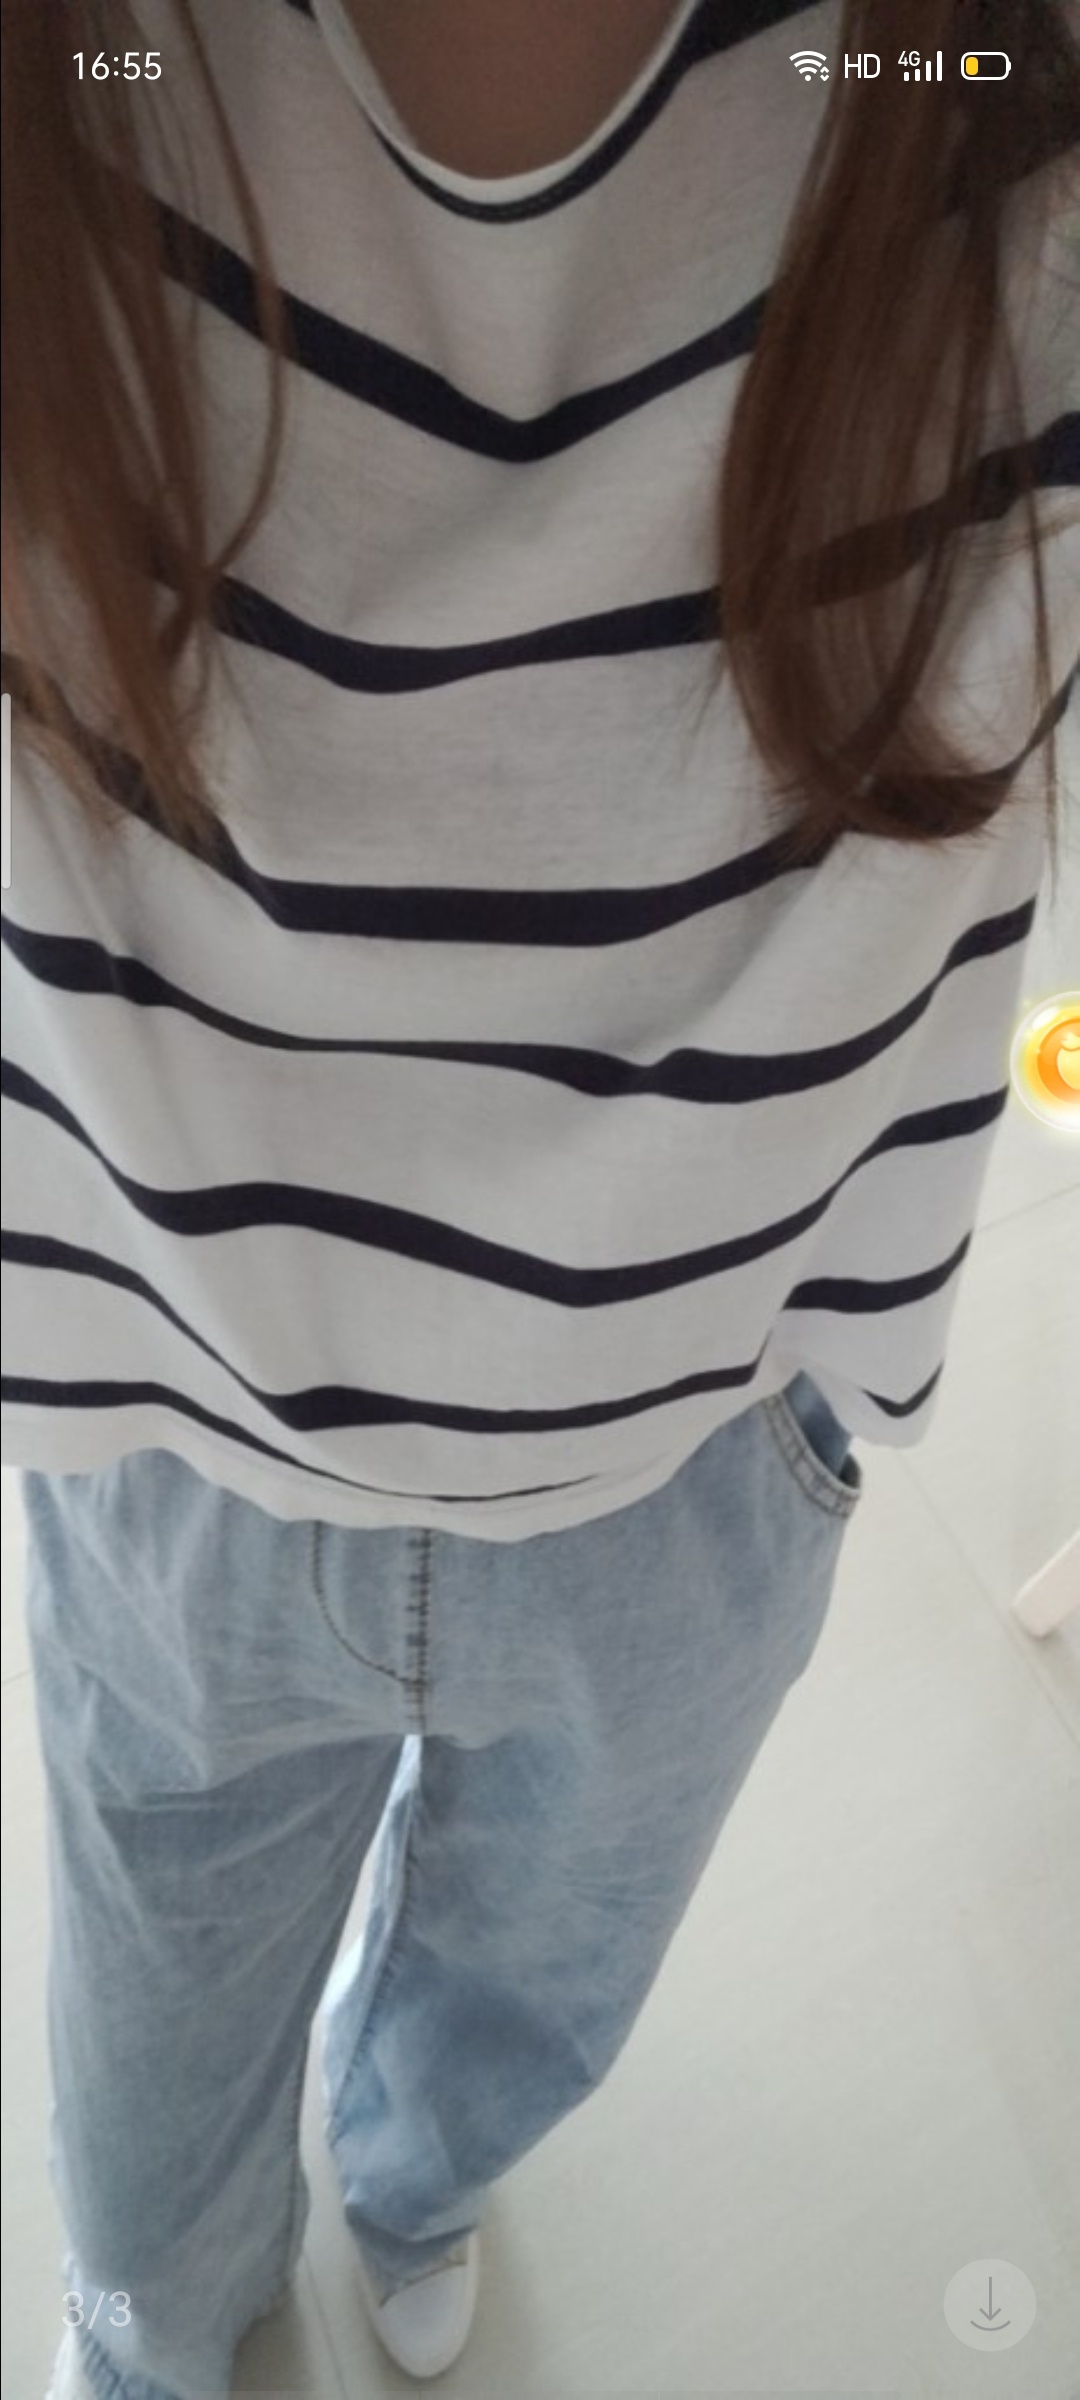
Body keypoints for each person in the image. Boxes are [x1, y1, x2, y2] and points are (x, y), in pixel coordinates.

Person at [2, 0, 1077, 2394]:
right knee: (154, 2004)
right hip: (174, 1418)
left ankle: (410, 2172)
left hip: (704, 1438)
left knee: (544, 1970)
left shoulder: (1002, 115)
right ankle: (160, 2316)